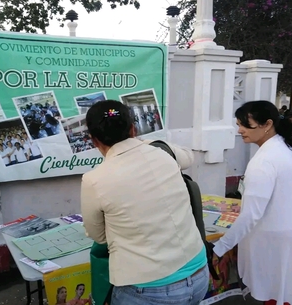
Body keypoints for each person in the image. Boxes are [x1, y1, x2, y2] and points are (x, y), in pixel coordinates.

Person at [81, 100, 209, 305]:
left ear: (93, 140)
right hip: (199, 273)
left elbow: (99, 236)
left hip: (148, 289)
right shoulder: (165, 154)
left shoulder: (94, 180)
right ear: (133, 129)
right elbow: (188, 157)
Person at [212, 100, 292, 305]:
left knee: (277, 294)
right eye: (238, 124)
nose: (240, 130)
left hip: (277, 243)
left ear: (267, 124)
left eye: (245, 124)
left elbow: (251, 215)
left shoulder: (264, 161)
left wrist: (220, 247)